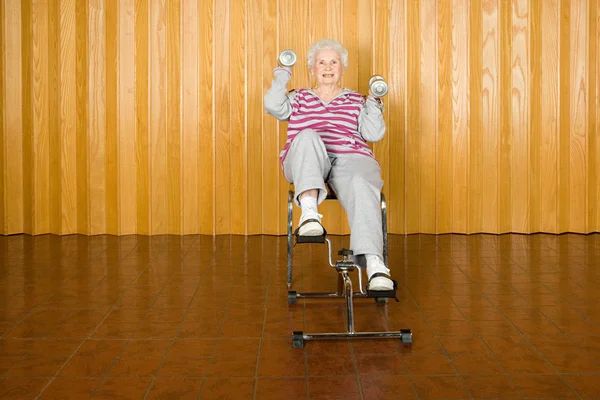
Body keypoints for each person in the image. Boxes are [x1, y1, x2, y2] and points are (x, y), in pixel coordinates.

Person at [263, 39, 393, 291]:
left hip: (349, 158)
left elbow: (373, 134)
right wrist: (282, 71)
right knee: (309, 135)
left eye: (334, 62)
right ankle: (309, 214)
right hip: (305, 158)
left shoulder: (357, 100)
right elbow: (272, 105)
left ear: (342, 68)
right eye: (321, 62)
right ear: (312, 68)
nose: (327, 67)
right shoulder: (299, 97)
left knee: (361, 179)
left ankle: (375, 264)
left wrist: (375, 103)